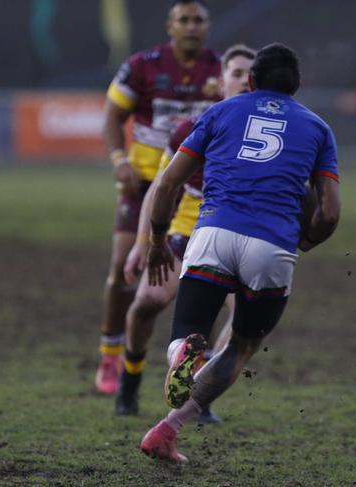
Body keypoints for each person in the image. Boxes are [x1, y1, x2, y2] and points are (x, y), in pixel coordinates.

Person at [138, 43, 341, 462]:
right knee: (240, 348)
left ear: (250, 80)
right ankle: (168, 429)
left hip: (213, 232)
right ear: (297, 85)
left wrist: (157, 242)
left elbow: (167, 184)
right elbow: (330, 212)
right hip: (272, 247)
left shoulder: (221, 111)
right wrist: (306, 242)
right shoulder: (319, 128)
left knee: (185, 335)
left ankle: (181, 354)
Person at [113, 44, 257, 420]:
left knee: (244, 320)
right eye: (236, 73)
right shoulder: (193, 129)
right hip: (184, 234)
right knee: (147, 303)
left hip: (238, 242)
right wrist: (143, 244)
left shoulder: (268, 138)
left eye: (251, 74)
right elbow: (162, 189)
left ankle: (200, 392)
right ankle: (129, 381)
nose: (244, 80)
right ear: (220, 81)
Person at [96, 0, 222, 395]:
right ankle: (110, 355)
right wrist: (119, 160)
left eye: (198, 20)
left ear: (207, 26)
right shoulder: (142, 65)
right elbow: (112, 117)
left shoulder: (222, 71)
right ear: (170, 25)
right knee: (122, 271)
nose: (191, 26)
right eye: (183, 19)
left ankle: (195, 366)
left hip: (193, 188)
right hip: (144, 182)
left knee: (206, 280)